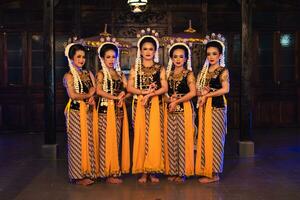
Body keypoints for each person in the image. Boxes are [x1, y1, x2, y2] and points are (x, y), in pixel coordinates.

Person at [127, 29, 168, 183]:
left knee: (155, 137)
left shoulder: (160, 68)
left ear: (155, 51)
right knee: (141, 136)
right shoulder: (135, 68)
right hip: (140, 105)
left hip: (156, 105)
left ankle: (153, 170)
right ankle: (143, 171)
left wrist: (151, 94)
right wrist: (143, 92)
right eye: (145, 49)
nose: (148, 52)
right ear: (140, 51)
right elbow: (129, 88)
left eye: (151, 49)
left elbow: (165, 88)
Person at [195, 33, 230, 183]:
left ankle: (215, 173)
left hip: (217, 107)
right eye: (209, 54)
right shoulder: (204, 72)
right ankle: (206, 169)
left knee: (215, 139)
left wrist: (208, 95)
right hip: (204, 108)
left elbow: (225, 89)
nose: (211, 57)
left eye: (214, 54)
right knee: (204, 138)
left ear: (220, 55)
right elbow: (197, 90)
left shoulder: (223, 71)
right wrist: (201, 93)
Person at [95, 39, 130, 184]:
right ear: (102, 58)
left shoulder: (120, 74)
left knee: (116, 140)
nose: (111, 60)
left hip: (118, 111)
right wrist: (115, 97)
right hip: (104, 110)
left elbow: (128, 90)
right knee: (105, 141)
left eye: (113, 57)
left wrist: (123, 96)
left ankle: (113, 170)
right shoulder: (101, 74)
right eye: (108, 57)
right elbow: (98, 91)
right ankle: (105, 172)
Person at [63, 43, 98, 186]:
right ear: (71, 58)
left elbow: (94, 88)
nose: (81, 60)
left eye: (83, 57)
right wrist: (87, 95)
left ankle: (88, 172)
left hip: (88, 111)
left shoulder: (88, 73)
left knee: (89, 141)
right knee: (77, 143)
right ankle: (77, 176)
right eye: (78, 57)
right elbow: (72, 94)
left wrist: (91, 97)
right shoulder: (69, 75)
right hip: (76, 112)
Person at [164, 42, 196, 183]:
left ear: (185, 59)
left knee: (183, 141)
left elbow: (193, 92)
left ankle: (182, 172)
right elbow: (164, 94)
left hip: (185, 110)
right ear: (171, 58)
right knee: (171, 141)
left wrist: (177, 101)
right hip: (170, 111)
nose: (178, 59)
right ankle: (173, 170)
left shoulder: (188, 74)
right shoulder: (168, 75)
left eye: (181, 57)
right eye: (175, 56)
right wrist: (169, 100)